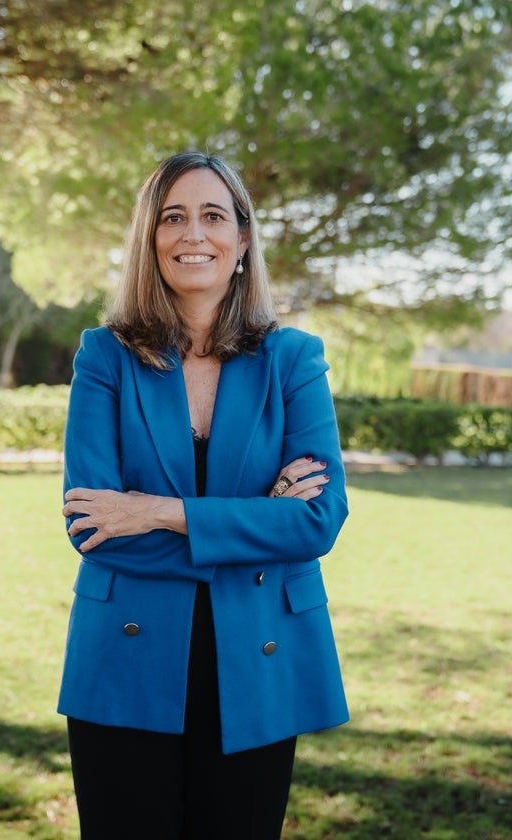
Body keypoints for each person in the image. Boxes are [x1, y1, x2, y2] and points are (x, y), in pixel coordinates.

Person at [58, 151, 350, 839]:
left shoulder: (294, 360)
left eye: (214, 216)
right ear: (150, 239)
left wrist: (157, 512)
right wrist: (257, 523)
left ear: (243, 240)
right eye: (173, 218)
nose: (194, 235)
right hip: (124, 663)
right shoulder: (104, 357)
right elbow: (93, 528)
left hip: (258, 657)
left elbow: (317, 520)